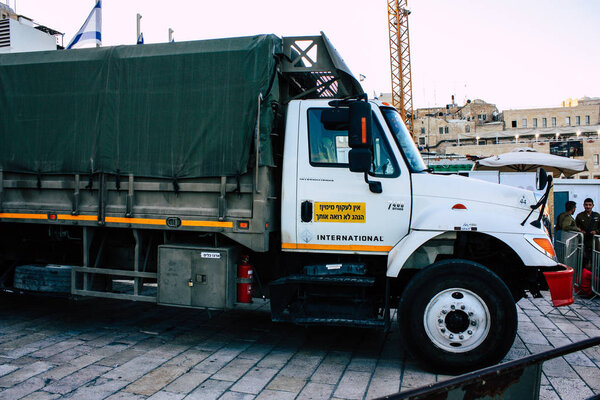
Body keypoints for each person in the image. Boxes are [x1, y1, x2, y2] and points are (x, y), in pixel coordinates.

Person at [575, 198, 599, 297]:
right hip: (584, 243)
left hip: (595, 244)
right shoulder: (580, 216)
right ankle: (584, 287)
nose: (588, 207)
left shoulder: (597, 216)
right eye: (586, 205)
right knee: (584, 263)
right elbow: (575, 226)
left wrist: (596, 232)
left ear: (593, 205)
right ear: (583, 205)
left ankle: (595, 286)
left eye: (590, 205)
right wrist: (580, 230)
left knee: (596, 263)